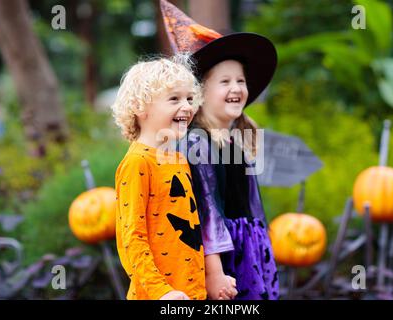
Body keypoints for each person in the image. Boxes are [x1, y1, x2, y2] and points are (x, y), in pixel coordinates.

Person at [160, 0, 280, 300]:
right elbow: (203, 213)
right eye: (224, 81)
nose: (236, 88)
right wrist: (214, 273)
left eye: (240, 80)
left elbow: (251, 205)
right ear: (200, 93)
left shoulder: (233, 140)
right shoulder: (197, 142)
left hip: (247, 250)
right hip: (222, 257)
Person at [111, 55, 209, 300]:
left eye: (189, 98)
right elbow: (131, 238)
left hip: (191, 293)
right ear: (140, 107)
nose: (186, 106)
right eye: (174, 99)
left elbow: (191, 233)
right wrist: (161, 292)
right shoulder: (137, 163)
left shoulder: (178, 160)